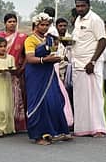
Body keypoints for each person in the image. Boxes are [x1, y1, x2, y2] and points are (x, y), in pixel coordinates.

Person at [24, 13, 72, 146]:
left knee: (54, 100)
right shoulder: (30, 40)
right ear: (36, 26)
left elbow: (53, 52)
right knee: (37, 103)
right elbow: (29, 58)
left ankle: (56, 130)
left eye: (47, 25)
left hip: (49, 73)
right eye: (42, 25)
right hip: (35, 74)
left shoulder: (49, 39)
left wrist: (57, 52)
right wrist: (44, 60)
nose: (45, 27)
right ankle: (38, 135)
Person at [70, 0, 106, 137]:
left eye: (82, 6)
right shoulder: (78, 21)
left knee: (95, 96)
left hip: (90, 64)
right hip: (78, 64)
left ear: (88, 6)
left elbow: (102, 41)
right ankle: (82, 128)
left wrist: (92, 61)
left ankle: (98, 128)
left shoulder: (95, 20)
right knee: (80, 97)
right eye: (77, 6)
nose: (79, 8)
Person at [0, 13, 27, 132]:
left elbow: (26, 55)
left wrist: (21, 69)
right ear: (5, 23)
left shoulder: (22, 37)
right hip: (1, 73)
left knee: (16, 97)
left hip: (16, 72)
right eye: (10, 21)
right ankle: (2, 123)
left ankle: (17, 124)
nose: (12, 24)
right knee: (2, 98)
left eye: (14, 21)